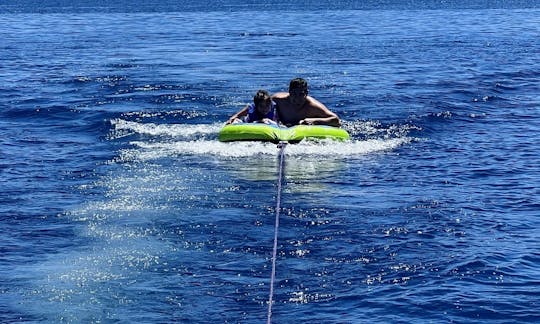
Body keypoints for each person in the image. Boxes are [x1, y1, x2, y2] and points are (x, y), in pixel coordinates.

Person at [272, 78, 341, 127]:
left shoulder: (312, 106)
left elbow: (335, 120)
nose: (297, 98)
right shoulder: (277, 100)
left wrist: (314, 121)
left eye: (301, 94)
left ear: (306, 94)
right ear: (289, 92)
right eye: (294, 94)